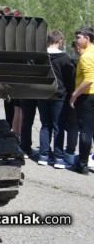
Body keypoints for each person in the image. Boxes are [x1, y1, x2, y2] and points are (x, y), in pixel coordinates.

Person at [36, 30, 75, 169]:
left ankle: (43, 156)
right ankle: (58, 158)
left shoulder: (40, 56)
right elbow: (69, 79)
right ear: (60, 41)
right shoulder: (65, 58)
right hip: (59, 95)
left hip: (42, 94)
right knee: (58, 126)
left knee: (45, 125)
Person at [69, 27, 94, 175]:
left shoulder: (85, 56)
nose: (77, 41)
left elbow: (89, 80)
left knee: (86, 131)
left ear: (87, 38)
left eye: (79, 37)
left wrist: (74, 94)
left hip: (87, 96)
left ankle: (82, 164)